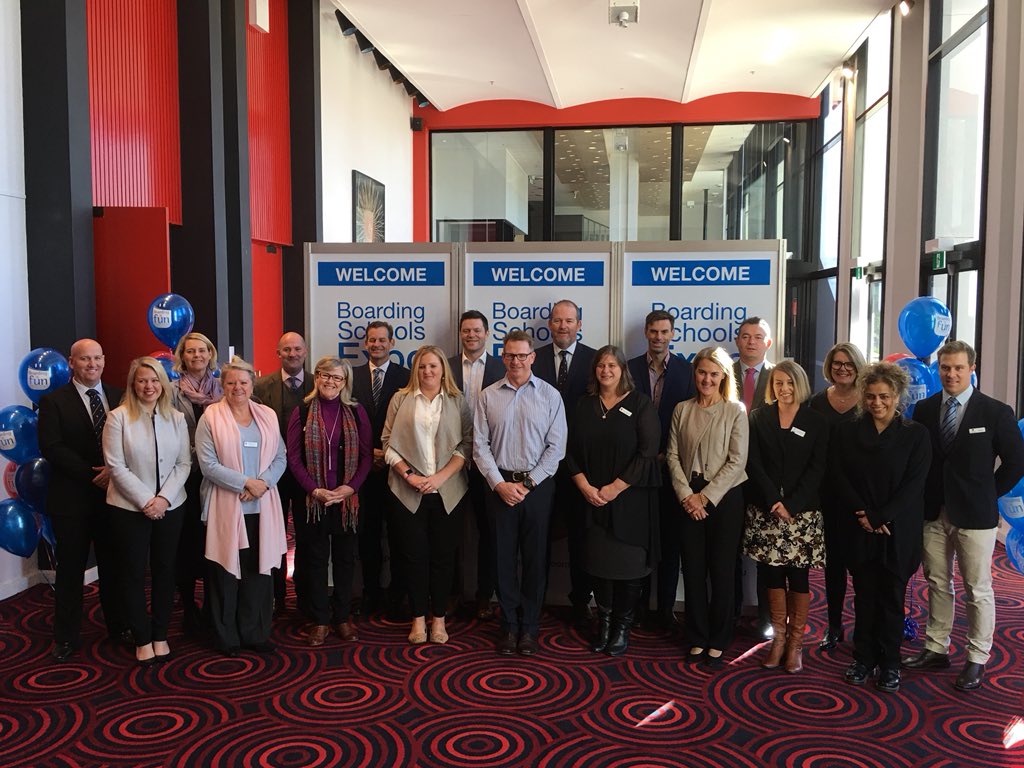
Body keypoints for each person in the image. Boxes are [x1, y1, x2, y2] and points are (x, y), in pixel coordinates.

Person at [903, 340, 1024, 691]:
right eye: (945, 368)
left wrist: (989, 493)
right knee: (938, 582)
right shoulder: (924, 409)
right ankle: (936, 647)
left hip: (975, 515)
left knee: (977, 588)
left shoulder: (995, 412)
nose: (951, 374)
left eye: (958, 367)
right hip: (933, 511)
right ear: (938, 369)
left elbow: (1016, 462)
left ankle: (977, 657)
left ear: (972, 368)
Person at [831, 362, 930, 693]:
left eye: (884, 396)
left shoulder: (916, 434)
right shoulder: (848, 430)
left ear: (897, 395)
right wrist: (865, 515)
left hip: (897, 531)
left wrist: (882, 516)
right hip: (859, 528)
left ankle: (890, 664)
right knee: (864, 597)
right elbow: (838, 476)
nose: (877, 403)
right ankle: (863, 658)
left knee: (892, 599)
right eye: (871, 396)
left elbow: (914, 485)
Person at [474, 330, 567, 656]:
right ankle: (509, 625)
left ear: (532, 357)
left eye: (522, 355)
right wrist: (499, 484)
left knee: (535, 560)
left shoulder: (550, 396)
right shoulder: (487, 396)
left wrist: (527, 485)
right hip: (498, 488)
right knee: (502, 560)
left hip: (536, 489)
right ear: (503, 357)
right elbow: (479, 446)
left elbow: (556, 449)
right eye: (510, 355)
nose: (516, 361)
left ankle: (529, 627)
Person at [566, 345, 660, 656]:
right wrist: (583, 486)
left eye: (612, 365)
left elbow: (648, 453)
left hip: (629, 500)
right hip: (590, 499)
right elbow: (568, 451)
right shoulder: (584, 405)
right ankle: (604, 624)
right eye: (601, 366)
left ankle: (621, 627)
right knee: (599, 565)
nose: (606, 371)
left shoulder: (641, 404)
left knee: (629, 567)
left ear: (623, 370)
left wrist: (614, 488)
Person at [38, 339, 127, 661]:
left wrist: (113, 472)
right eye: (85, 359)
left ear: (104, 360)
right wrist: (95, 474)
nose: (92, 364)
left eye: (97, 358)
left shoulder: (120, 396)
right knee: (71, 571)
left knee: (114, 568)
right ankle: (66, 636)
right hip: (72, 501)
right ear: (72, 363)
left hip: (114, 498)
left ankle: (119, 627)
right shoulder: (53, 402)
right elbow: (52, 447)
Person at [195, 357, 288, 656]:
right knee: (225, 574)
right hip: (227, 505)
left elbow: (280, 457)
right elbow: (207, 464)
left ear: (252, 384)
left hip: (263, 507)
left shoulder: (268, 415)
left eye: (244, 382)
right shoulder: (211, 416)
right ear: (223, 385)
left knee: (259, 574)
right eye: (231, 382)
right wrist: (246, 483)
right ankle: (227, 637)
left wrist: (262, 483)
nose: (238, 387)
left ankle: (255, 633)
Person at [103, 357, 191, 666]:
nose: (149, 386)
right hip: (128, 508)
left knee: (166, 571)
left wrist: (163, 500)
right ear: (133, 384)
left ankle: (160, 634)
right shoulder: (118, 418)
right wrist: (146, 501)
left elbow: (184, 464)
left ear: (163, 384)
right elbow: (116, 466)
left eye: (154, 381)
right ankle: (141, 637)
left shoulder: (177, 418)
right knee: (133, 573)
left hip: (171, 507)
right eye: (142, 381)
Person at [383, 346, 472, 644]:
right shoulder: (400, 399)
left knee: (444, 558)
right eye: (422, 367)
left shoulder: (458, 402)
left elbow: (467, 445)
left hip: (448, 491)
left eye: (433, 366)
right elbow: (387, 443)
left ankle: (439, 620)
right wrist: (411, 477)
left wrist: (438, 478)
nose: (427, 372)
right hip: (408, 492)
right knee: (414, 556)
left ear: (443, 369)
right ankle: (418, 619)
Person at [743, 360, 828, 673]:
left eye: (790, 383)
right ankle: (778, 639)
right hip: (766, 511)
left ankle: (795, 643)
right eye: (778, 382)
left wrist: (791, 503)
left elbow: (817, 468)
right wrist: (774, 500)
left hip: (801, 514)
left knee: (799, 577)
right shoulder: (758, 417)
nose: (784, 388)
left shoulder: (816, 421)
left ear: (800, 385)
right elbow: (753, 463)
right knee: (771, 576)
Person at [666, 346, 748, 670]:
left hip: (724, 499)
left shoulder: (735, 410)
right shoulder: (681, 409)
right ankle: (697, 637)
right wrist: (688, 495)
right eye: (702, 372)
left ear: (724, 376)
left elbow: (737, 461)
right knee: (695, 572)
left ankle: (719, 639)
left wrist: (706, 497)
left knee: (722, 571)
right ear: (695, 373)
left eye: (714, 374)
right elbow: (671, 456)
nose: (707, 379)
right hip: (688, 498)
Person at [286, 356, 372, 647]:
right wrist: (314, 490)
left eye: (337, 378)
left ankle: (343, 618)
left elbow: (366, 456)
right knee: (316, 560)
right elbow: (293, 458)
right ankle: (321, 619)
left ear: (345, 382)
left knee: (346, 560)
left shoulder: (356, 411)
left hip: (347, 501)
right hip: (314, 501)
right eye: (325, 375)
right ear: (317, 377)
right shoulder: (302, 410)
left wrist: (350, 488)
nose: (330, 382)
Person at [627, 309, 695, 629]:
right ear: (645, 332)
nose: (658, 337)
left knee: (670, 544)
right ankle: (638, 608)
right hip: (637, 469)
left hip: (672, 471)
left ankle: (665, 609)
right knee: (639, 540)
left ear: (672, 334)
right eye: (653, 331)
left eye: (664, 332)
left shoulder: (687, 371)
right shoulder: (628, 369)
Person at [533, 299, 597, 624]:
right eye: (557, 320)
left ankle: (580, 600)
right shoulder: (535, 357)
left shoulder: (595, 360)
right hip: (539, 464)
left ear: (579, 324)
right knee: (538, 535)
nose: (563, 326)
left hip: (579, 467)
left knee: (581, 538)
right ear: (550, 324)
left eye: (569, 320)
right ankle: (536, 599)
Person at [350, 321, 411, 617]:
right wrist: (367, 454)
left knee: (399, 535)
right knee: (368, 535)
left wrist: (385, 454)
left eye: (382, 340)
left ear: (392, 343)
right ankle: (370, 594)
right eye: (372, 340)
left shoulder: (406, 377)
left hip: (397, 469)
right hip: (362, 472)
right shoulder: (351, 376)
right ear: (365, 344)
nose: (377, 344)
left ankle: (398, 595)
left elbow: (409, 423)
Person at [808, 342, 866, 650]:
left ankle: (862, 626)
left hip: (859, 496)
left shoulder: (869, 402)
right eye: (837, 363)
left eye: (849, 364)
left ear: (858, 367)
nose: (842, 368)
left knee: (861, 565)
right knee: (833, 565)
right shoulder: (816, 402)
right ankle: (833, 625)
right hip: (826, 496)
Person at [448, 310, 505, 620]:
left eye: (476, 330)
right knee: (452, 532)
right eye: (466, 330)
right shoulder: (447, 366)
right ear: (461, 334)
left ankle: (485, 594)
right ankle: (453, 593)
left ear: (486, 333)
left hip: (489, 463)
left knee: (490, 532)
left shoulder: (501, 366)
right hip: (451, 462)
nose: (471, 335)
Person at [254, 331, 314, 617]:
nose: (292, 354)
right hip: (272, 475)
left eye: (297, 349)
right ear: (278, 353)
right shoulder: (261, 386)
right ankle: (276, 597)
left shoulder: (318, 383)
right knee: (274, 536)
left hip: (309, 476)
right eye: (286, 349)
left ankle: (305, 597)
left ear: (305, 351)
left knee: (306, 536)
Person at [171, 331, 223, 633]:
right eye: (190, 351)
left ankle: (215, 605)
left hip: (217, 477)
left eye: (202, 351)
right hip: (186, 478)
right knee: (188, 542)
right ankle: (189, 606)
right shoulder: (172, 391)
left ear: (210, 354)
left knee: (215, 539)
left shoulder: (223, 389)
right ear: (182, 357)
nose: (197, 356)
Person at [733, 316, 775, 639]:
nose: (751, 342)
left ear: (768, 343)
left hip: (765, 474)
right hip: (729, 475)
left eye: (757, 337)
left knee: (763, 552)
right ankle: (731, 611)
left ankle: (766, 617)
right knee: (729, 548)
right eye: (745, 336)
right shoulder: (724, 373)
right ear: (737, 341)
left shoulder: (779, 378)